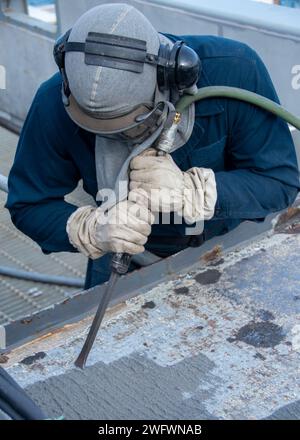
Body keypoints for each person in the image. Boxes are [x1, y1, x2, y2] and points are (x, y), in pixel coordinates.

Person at [6, 3, 299, 289]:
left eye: (132, 124)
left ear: (167, 75)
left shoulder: (235, 69)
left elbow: (279, 182)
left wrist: (192, 192)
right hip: (120, 259)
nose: (123, 138)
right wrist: (93, 230)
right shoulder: (53, 101)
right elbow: (29, 204)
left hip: (226, 248)